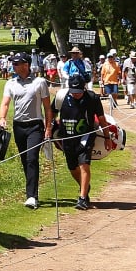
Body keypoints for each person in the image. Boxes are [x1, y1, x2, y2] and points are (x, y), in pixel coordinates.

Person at [0, 52, 53, 210]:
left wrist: (48, 128)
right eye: (13, 64)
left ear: (26, 65)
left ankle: (32, 196)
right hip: (18, 126)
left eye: (17, 64)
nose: (14, 66)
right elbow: (6, 103)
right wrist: (2, 118)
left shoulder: (39, 82)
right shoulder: (10, 83)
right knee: (25, 161)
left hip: (35, 125)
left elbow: (47, 108)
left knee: (31, 159)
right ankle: (31, 191)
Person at [51, 73, 113, 209]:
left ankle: (82, 198)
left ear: (84, 87)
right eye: (74, 92)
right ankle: (84, 186)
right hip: (66, 138)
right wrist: (49, 129)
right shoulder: (61, 96)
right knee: (72, 168)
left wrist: (107, 138)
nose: (76, 94)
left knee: (84, 165)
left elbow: (102, 119)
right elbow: (52, 112)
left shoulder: (92, 98)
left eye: (79, 91)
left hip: (86, 137)